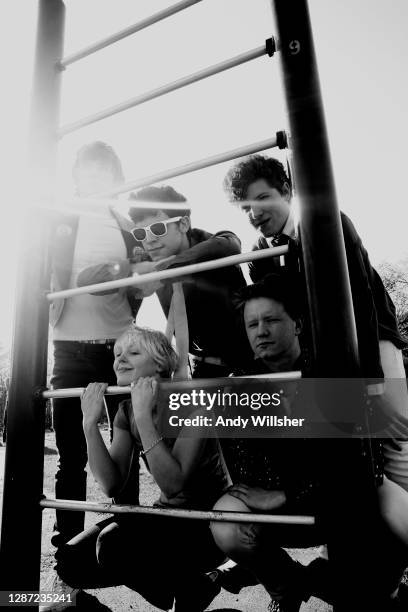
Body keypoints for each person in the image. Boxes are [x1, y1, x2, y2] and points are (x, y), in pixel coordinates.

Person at [209, 276, 408, 611]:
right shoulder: (240, 388)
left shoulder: (331, 371)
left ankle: (375, 588)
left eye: (271, 320)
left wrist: (289, 492)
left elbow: (362, 465)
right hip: (289, 503)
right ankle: (288, 584)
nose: (261, 331)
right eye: (252, 324)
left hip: (347, 494)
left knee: (397, 514)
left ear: (298, 324)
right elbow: (249, 468)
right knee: (226, 520)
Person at [223, 154, 408, 492]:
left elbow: (362, 301)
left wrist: (372, 379)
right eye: (245, 208)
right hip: (320, 354)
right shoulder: (259, 253)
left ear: (288, 193)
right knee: (347, 442)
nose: (255, 213)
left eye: (262, 199)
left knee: (393, 440)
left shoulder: (326, 223)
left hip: (372, 340)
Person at [48, 324, 228, 612]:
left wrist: (144, 415)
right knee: (70, 563)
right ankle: (191, 587)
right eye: (117, 353)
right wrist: (89, 425)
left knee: (112, 545)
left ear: (160, 365)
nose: (119, 359)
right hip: (166, 518)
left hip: (207, 527)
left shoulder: (195, 404)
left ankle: (193, 584)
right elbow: (111, 484)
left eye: (132, 352)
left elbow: (174, 484)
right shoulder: (126, 411)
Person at [49, 142, 141, 548]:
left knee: (128, 442)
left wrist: (120, 270)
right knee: (72, 451)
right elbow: (35, 274)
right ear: (77, 177)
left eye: (106, 171)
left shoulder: (125, 224)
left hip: (118, 347)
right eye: (89, 170)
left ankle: (129, 534)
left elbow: (144, 272)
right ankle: (66, 544)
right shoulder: (57, 219)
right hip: (68, 348)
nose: (97, 178)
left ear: (117, 180)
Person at [77, 185, 251, 378]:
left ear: (183, 224)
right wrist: (132, 266)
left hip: (245, 362)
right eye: (141, 233)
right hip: (197, 368)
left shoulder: (213, 244)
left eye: (158, 229)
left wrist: (163, 272)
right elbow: (85, 280)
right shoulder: (150, 262)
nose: (149, 240)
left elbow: (230, 244)